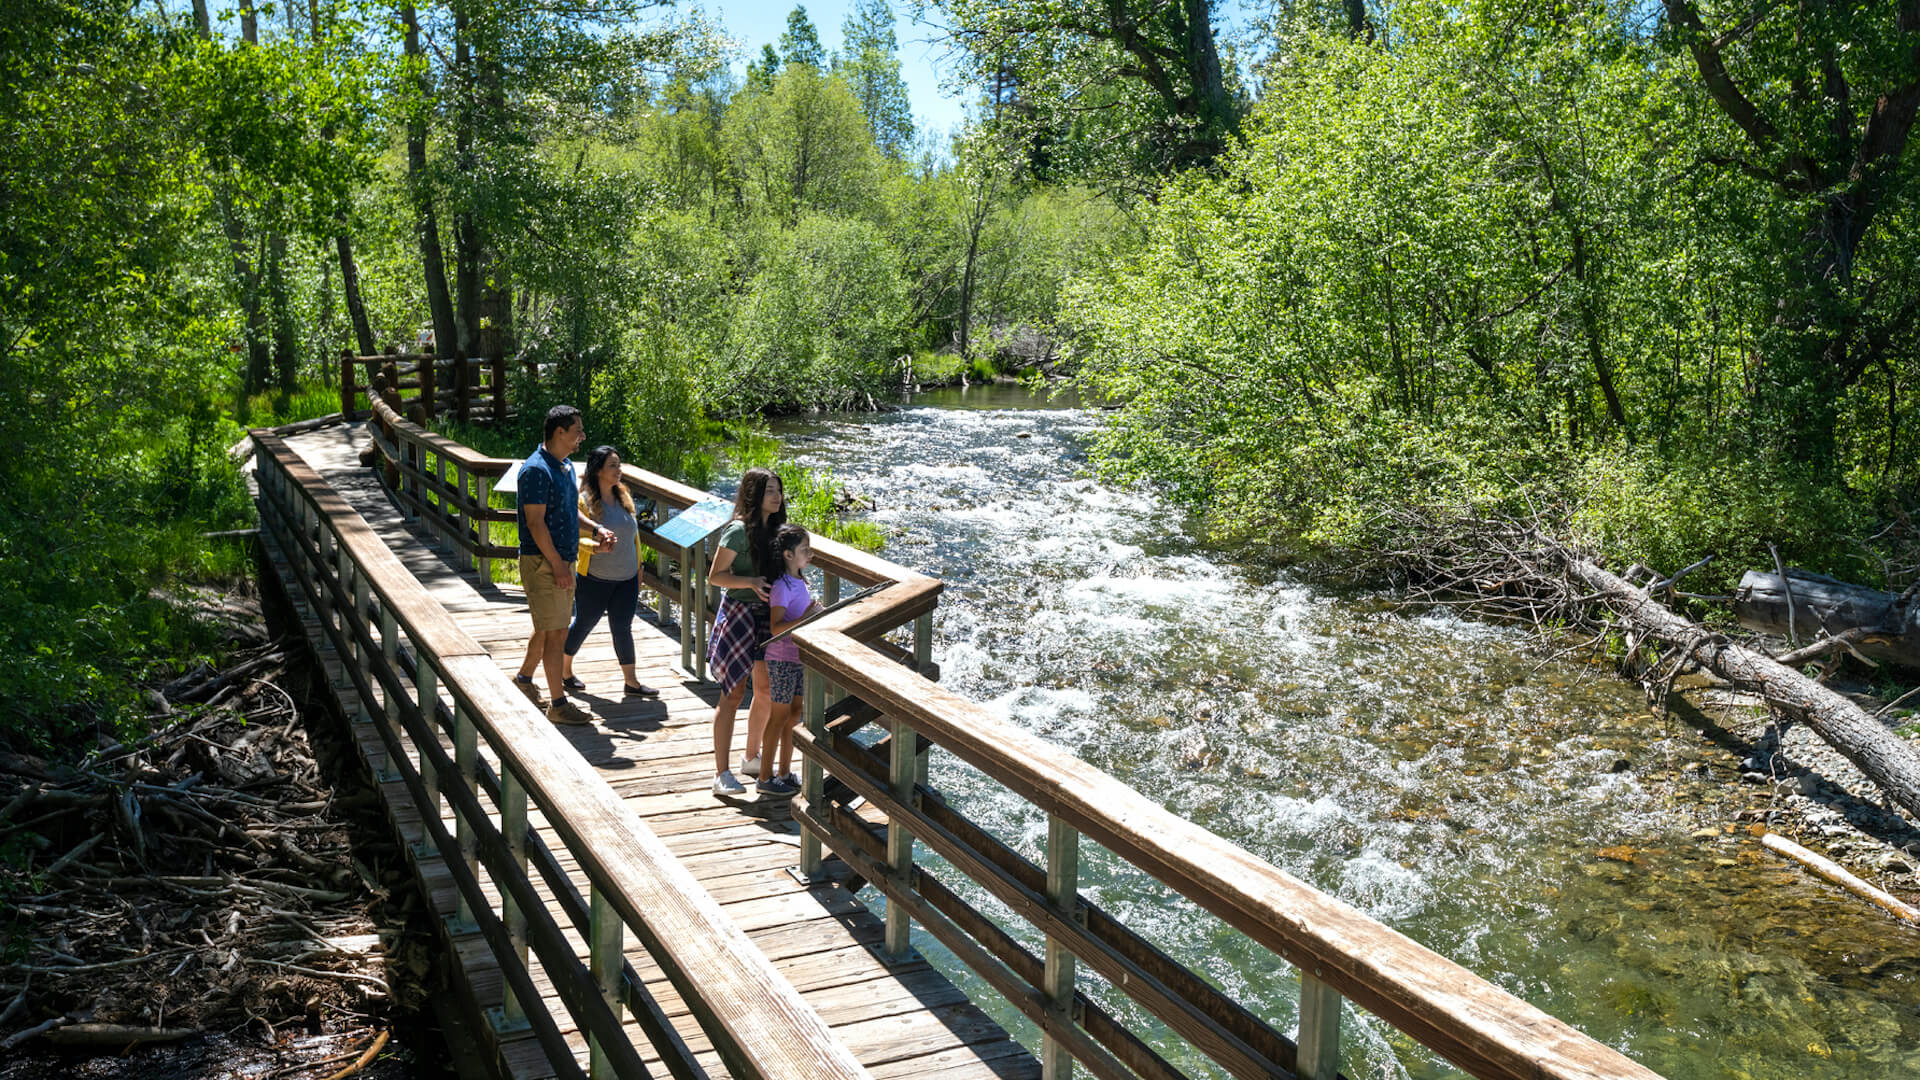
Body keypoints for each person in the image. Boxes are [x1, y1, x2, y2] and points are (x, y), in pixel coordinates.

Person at [510, 405, 614, 726]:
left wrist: (596, 529)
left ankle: (524, 681)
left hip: (562, 560)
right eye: (577, 431)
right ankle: (557, 704)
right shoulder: (536, 470)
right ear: (559, 432)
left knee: (548, 626)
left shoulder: (565, 466)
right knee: (555, 634)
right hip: (544, 562)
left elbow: (569, 511)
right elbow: (535, 523)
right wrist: (556, 564)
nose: (581, 437)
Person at [557, 446, 661, 701]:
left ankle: (631, 682)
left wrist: (639, 567)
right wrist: (596, 548)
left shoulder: (624, 497)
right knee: (584, 623)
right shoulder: (584, 502)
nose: (619, 470)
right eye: (613, 465)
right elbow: (575, 540)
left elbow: (633, 537)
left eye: (619, 465)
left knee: (622, 627)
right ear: (598, 470)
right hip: (594, 579)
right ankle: (564, 670)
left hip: (627, 579)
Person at [705, 468, 783, 795]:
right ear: (754, 495)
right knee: (733, 693)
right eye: (769, 492)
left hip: (768, 617)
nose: (777, 497)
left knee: (765, 691)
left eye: (779, 491)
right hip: (739, 614)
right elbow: (716, 576)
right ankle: (721, 774)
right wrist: (749, 582)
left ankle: (751, 757)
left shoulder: (780, 531)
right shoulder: (737, 531)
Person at [756, 524, 820, 795]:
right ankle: (764, 777)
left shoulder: (800, 582)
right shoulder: (782, 586)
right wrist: (806, 618)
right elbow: (775, 627)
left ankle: (784, 771)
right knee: (779, 716)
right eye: (804, 550)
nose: (809, 554)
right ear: (788, 555)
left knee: (794, 715)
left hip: (797, 657)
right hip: (782, 658)